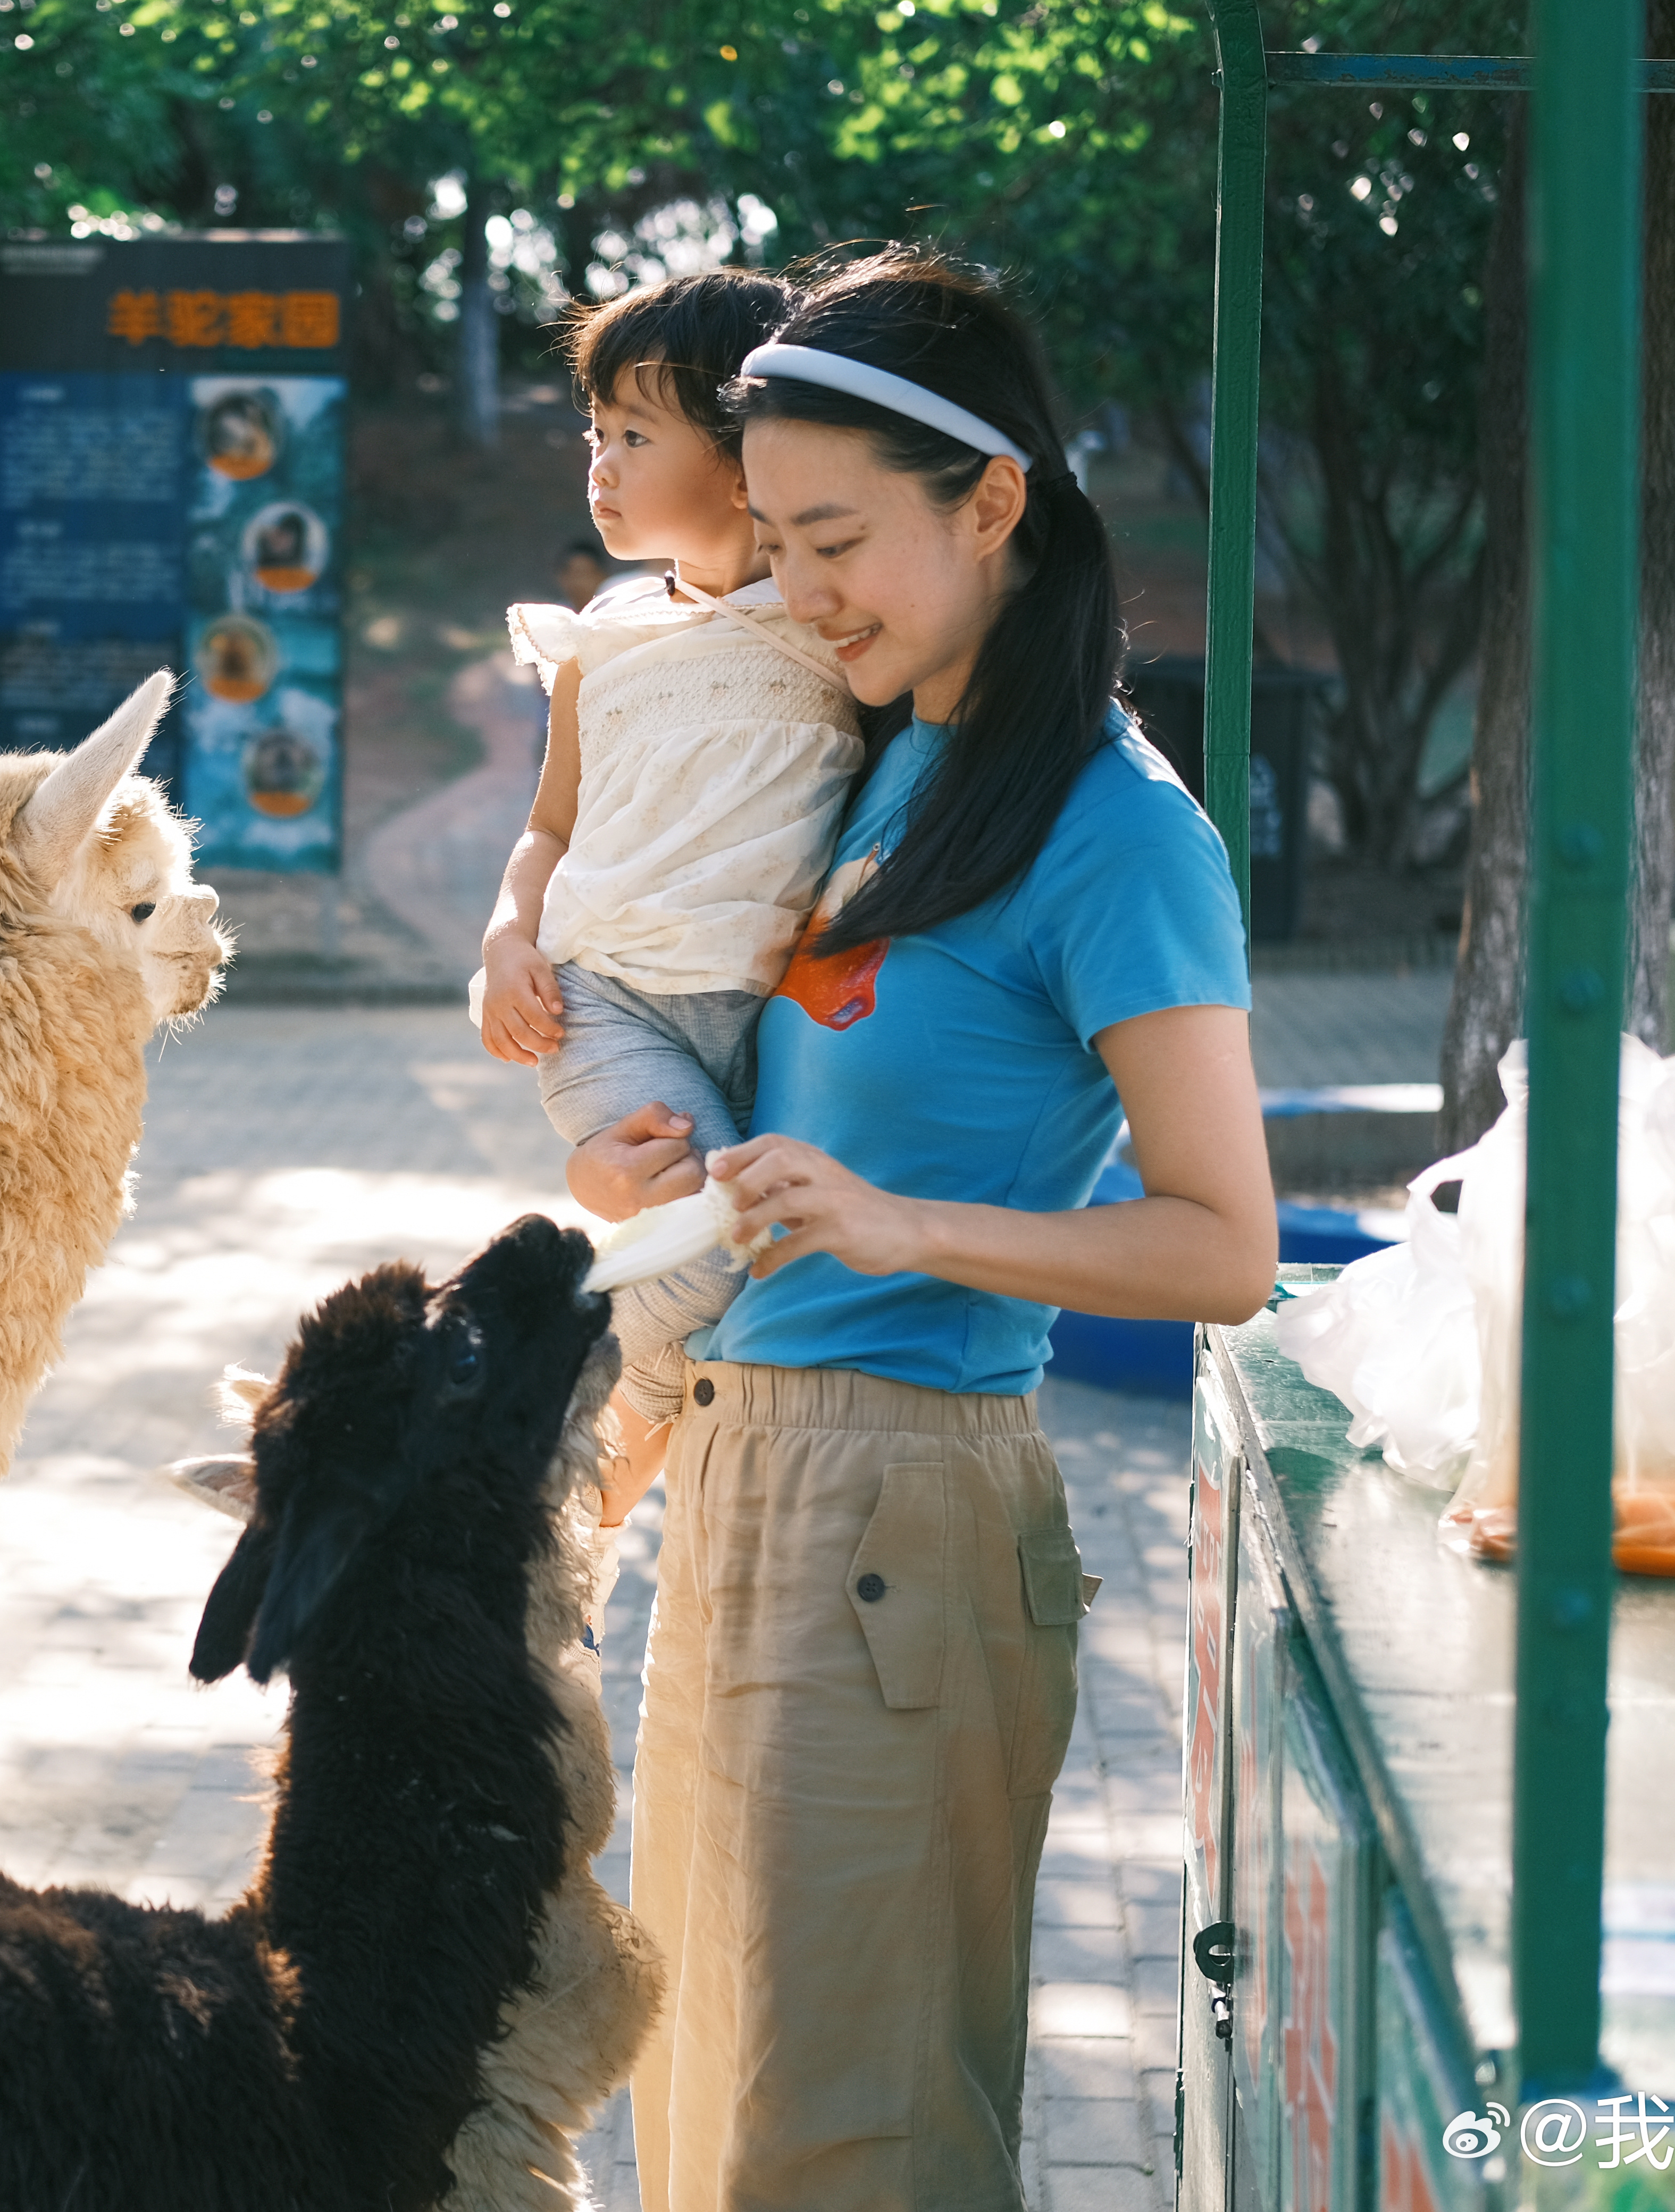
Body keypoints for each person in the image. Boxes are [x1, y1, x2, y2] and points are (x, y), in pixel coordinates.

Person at [566, 248, 1276, 2211]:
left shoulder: (1122, 832)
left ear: (992, 503)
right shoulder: (886, 752)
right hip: (751, 1475)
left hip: (909, 1505)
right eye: (778, 541)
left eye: (840, 540)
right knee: (707, 2107)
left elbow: (1228, 1244)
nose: (804, 592)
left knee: (843, 2137)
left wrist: (904, 1221)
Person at [474, 270, 866, 1530]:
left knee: (738, 1256)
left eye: (638, 435)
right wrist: (503, 939)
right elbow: (549, 827)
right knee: (715, 1232)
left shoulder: (827, 623)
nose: (601, 463)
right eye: (598, 433)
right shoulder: (604, 636)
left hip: (763, 1022)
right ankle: (560, 1479)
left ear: (749, 456)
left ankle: (579, 1475)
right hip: (607, 1002)